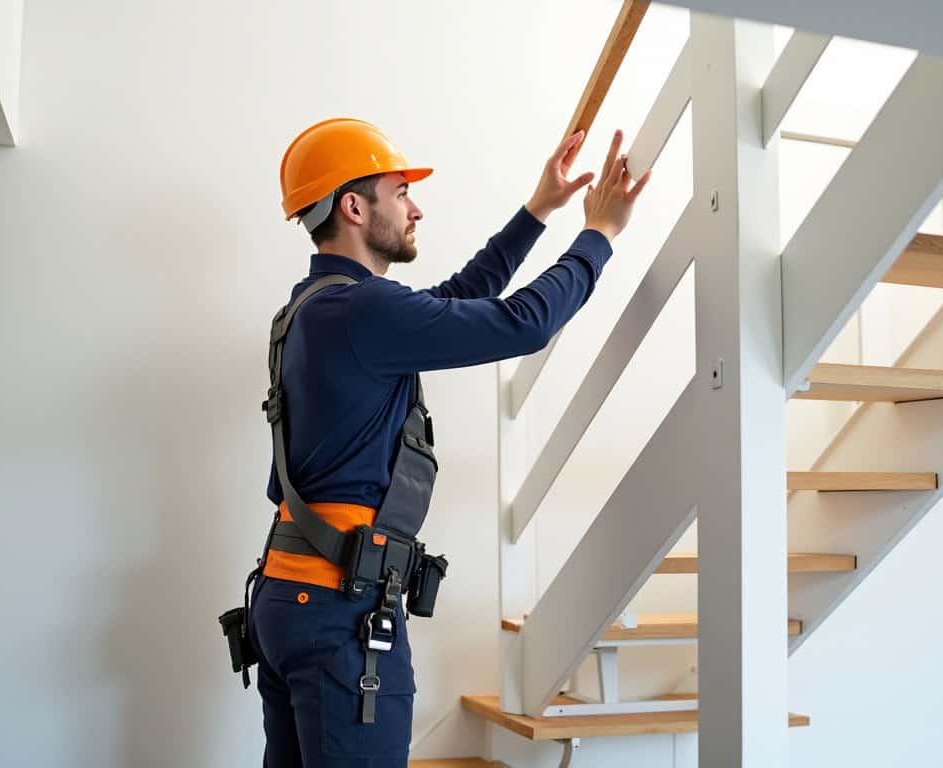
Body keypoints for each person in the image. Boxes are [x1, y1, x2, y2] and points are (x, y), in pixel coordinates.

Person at [248, 116, 650, 767]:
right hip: (337, 610)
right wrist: (598, 234)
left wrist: (537, 211)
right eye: (400, 192)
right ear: (354, 206)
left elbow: (458, 297)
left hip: (293, 597)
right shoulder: (360, 311)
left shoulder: (316, 308)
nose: (416, 208)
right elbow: (524, 322)